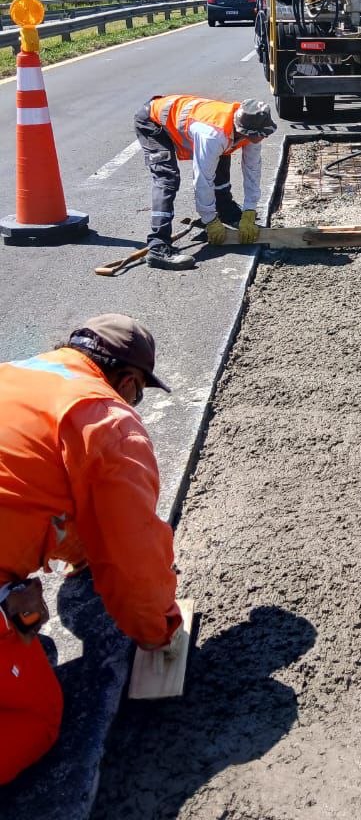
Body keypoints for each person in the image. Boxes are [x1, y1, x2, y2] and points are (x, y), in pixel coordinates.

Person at [0, 314, 181, 784]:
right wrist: (158, 631)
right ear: (128, 380)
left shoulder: (16, 375)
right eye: (137, 391)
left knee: (30, 644)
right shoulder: (107, 420)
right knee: (35, 715)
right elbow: (133, 558)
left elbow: (51, 498)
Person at [134, 96, 277, 269]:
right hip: (154, 122)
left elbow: (252, 169)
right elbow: (202, 179)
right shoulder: (212, 135)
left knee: (222, 157)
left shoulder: (252, 128)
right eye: (257, 135)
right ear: (243, 129)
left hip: (204, 128)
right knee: (167, 178)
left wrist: (250, 210)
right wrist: (209, 219)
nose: (260, 139)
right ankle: (158, 246)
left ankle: (227, 213)